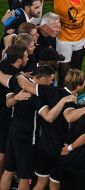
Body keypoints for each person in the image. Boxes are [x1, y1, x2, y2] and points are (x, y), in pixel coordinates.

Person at [0, 65, 69, 190]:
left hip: (12, 133)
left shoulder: (17, 83)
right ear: (42, 79)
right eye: (51, 79)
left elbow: (8, 103)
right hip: (27, 139)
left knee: (9, 171)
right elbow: (48, 117)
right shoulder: (37, 96)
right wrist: (63, 101)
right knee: (24, 176)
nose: (52, 82)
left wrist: (15, 97)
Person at [0, 45, 29, 178]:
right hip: (4, 116)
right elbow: (8, 102)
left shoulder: (5, 66)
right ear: (19, 59)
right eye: (26, 56)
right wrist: (17, 97)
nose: (28, 58)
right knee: (2, 152)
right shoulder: (12, 78)